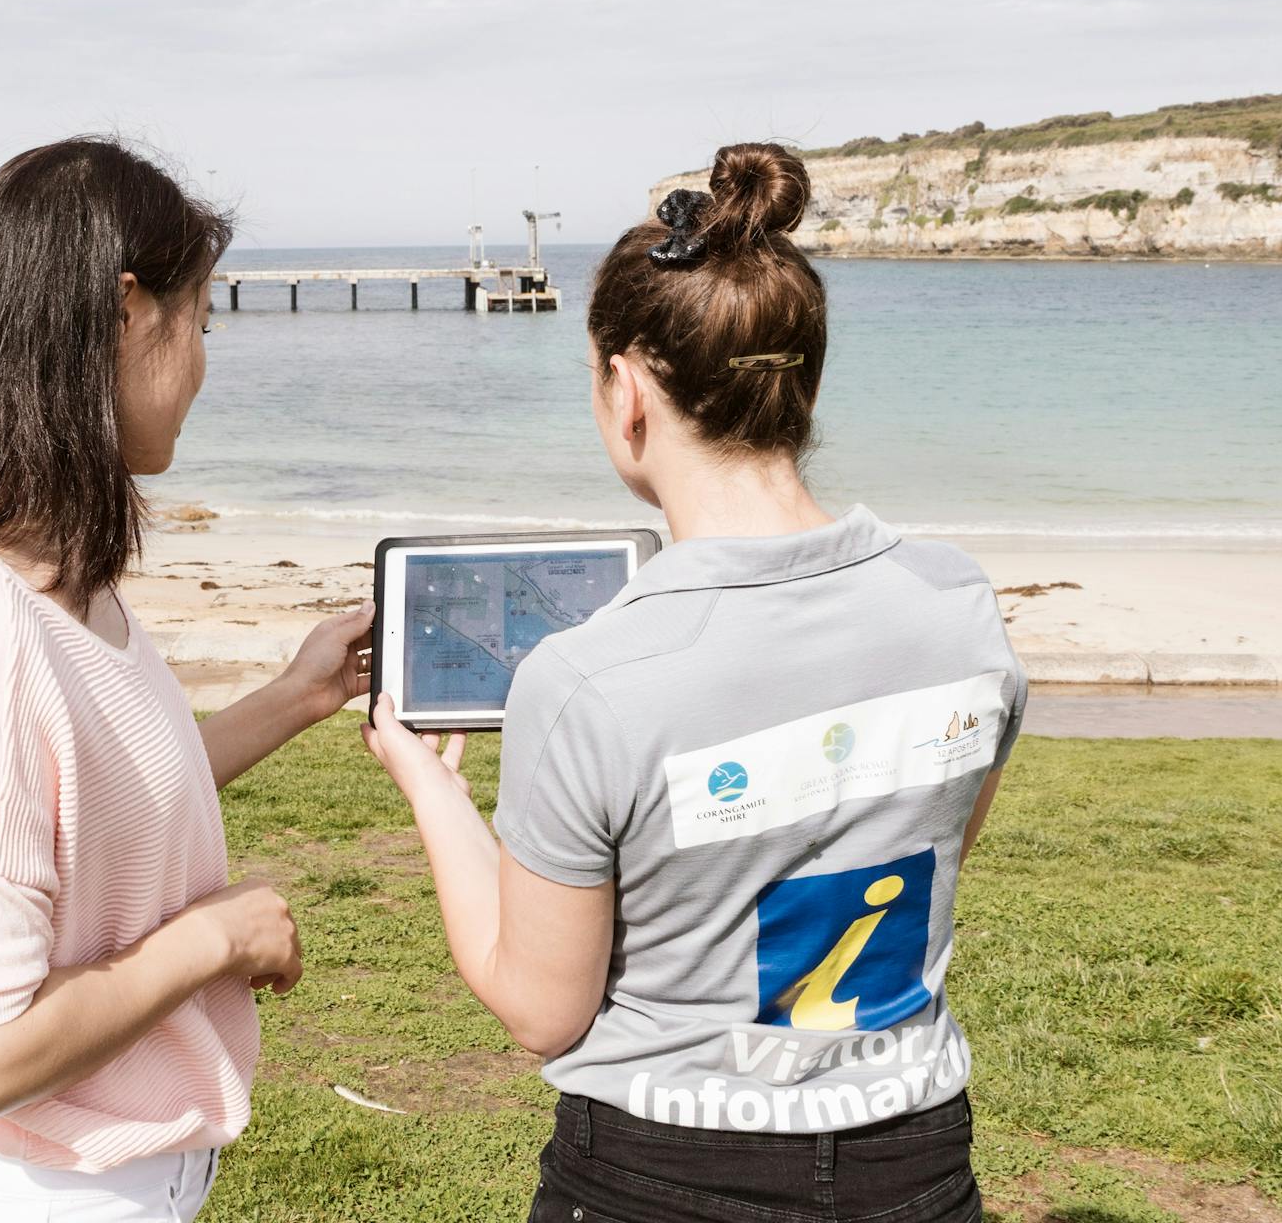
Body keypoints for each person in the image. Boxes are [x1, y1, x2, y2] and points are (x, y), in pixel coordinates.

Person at [364, 143, 1027, 1223]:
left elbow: (542, 1009)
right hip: (915, 1170)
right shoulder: (956, 604)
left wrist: (430, 789)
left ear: (626, 394)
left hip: (663, 1175)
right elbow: (929, 835)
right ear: (801, 383)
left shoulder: (586, 678)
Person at [0, 138, 372, 1222]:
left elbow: (100, 804)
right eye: (204, 320)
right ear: (128, 314)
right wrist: (211, 941)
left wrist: (295, 696)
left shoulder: (55, 587)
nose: (206, 361)